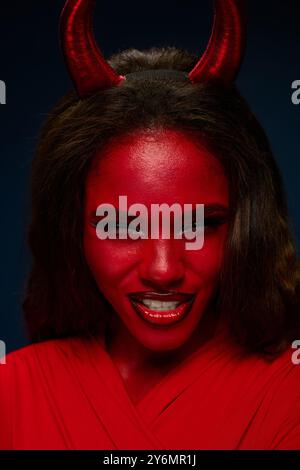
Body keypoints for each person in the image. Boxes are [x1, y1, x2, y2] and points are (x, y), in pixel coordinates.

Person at [1, 0, 300, 450]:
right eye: (123, 225)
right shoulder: (11, 389)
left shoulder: (289, 394)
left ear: (246, 223)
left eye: (198, 224)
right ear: (72, 228)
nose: (163, 269)